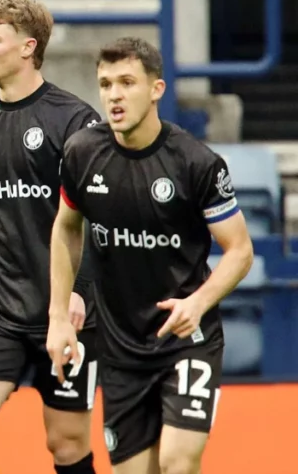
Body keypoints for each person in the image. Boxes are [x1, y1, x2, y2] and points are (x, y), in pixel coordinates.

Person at [48, 37, 253, 474]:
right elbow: (66, 228)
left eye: (126, 82)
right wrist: (58, 317)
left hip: (185, 341)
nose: (114, 95)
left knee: (178, 463)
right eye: (105, 84)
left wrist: (197, 303)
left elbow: (240, 251)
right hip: (120, 349)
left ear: (156, 89)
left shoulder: (197, 163)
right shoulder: (82, 153)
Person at [0, 0, 103, 474]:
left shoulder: (75, 121)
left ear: (29, 47)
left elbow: (97, 218)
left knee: (67, 445)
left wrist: (79, 291)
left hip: (67, 312)